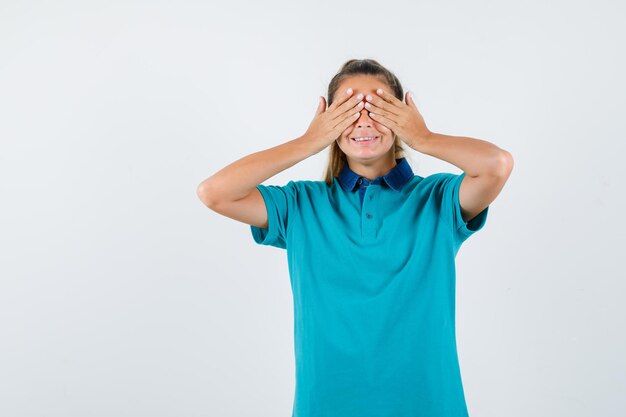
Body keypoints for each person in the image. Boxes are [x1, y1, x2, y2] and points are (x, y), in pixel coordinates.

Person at [197, 58, 514, 417]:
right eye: (348, 109)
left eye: (378, 107)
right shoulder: (301, 205)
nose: (363, 119)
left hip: (428, 403)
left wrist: (423, 138)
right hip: (328, 404)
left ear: (402, 116)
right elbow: (215, 192)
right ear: (329, 121)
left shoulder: (437, 200)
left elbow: (496, 165)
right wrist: (308, 142)